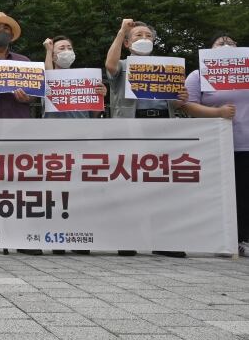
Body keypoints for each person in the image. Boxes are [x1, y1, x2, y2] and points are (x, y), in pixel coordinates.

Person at [105, 18, 188, 258]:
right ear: (129, 43)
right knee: (129, 182)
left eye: (148, 36)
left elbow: (175, 102)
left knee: (162, 184)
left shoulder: (167, 67)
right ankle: (127, 238)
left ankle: (164, 239)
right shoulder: (122, 64)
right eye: (138, 35)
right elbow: (110, 65)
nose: (144, 39)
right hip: (132, 125)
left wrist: (181, 97)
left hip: (162, 124)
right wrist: (121, 31)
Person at [0, 12, 41, 256]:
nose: (0, 31)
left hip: (19, 130)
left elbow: (36, 94)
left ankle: (23, 237)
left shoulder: (24, 61)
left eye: (4, 27)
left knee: (20, 186)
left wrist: (29, 96)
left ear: (11, 34)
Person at [182, 34, 248, 257]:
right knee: (220, 194)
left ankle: (242, 238)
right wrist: (218, 113)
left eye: (231, 43)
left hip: (245, 143)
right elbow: (189, 106)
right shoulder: (198, 75)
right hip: (216, 144)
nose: (226, 46)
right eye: (220, 43)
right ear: (209, 49)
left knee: (244, 193)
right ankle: (222, 238)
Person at [42, 35, 107, 255]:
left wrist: (100, 97)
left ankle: (79, 236)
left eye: (70, 47)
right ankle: (57, 238)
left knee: (80, 190)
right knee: (56, 191)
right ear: (52, 54)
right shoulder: (46, 79)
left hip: (82, 139)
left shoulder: (86, 79)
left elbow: (95, 113)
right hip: (54, 141)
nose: (67, 51)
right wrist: (48, 50)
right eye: (61, 48)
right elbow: (49, 74)